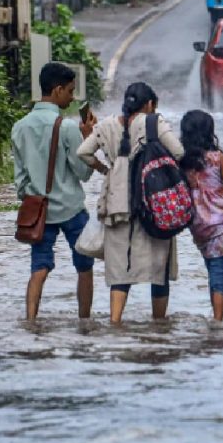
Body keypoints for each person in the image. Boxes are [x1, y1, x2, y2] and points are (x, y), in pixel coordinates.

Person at [77, 82, 184, 324]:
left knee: (120, 269)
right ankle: (159, 327)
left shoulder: (104, 126)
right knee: (159, 270)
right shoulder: (154, 123)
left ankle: (115, 323)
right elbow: (178, 152)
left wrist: (106, 169)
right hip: (152, 200)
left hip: (116, 203)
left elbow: (82, 152)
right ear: (149, 105)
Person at [11, 62, 97, 321]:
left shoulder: (20, 127)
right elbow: (83, 173)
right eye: (70, 91)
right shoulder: (68, 127)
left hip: (39, 211)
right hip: (71, 209)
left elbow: (20, 180)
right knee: (85, 267)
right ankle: (84, 322)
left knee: (39, 267)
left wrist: (34, 195)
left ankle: (31, 321)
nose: (71, 98)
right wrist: (88, 138)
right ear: (58, 90)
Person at [180, 110, 223, 321]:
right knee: (218, 274)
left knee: (211, 268)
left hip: (197, 225)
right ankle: (218, 321)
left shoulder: (183, 160)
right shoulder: (217, 158)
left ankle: (216, 316)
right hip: (219, 224)